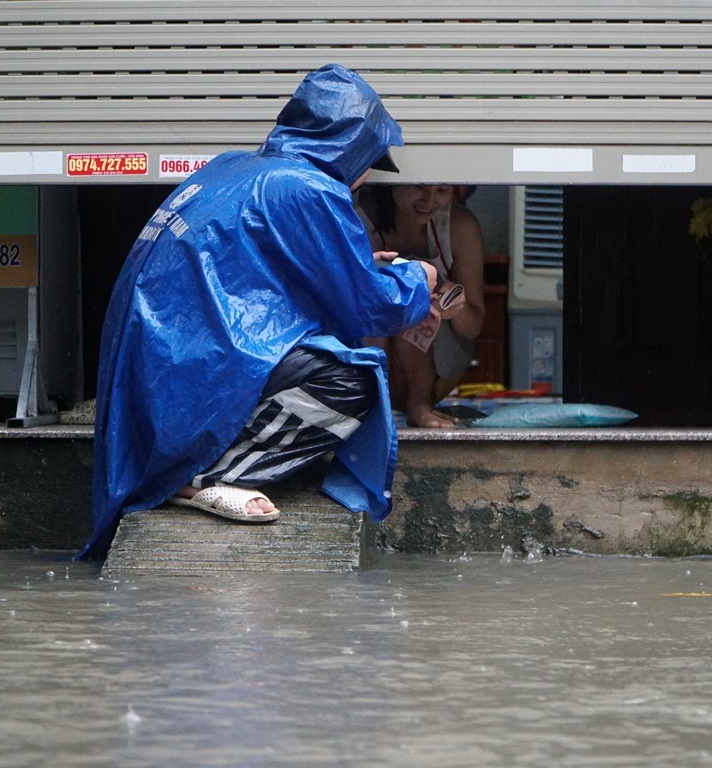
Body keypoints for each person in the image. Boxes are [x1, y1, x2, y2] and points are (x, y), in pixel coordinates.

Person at [77, 64, 464, 560]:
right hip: (191, 368)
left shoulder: (232, 167)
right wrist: (420, 278)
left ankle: (194, 462)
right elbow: (372, 306)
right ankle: (202, 475)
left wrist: (357, 266)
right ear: (352, 150)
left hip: (165, 367)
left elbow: (264, 271)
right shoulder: (309, 188)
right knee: (352, 381)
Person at [354, 184, 486, 428]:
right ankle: (365, 404)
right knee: (395, 286)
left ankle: (419, 404)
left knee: (414, 290)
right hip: (357, 364)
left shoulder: (459, 226)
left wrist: (457, 308)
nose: (430, 200)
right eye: (419, 187)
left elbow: (473, 327)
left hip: (436, 370)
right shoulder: (351, 216)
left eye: (443, 190)